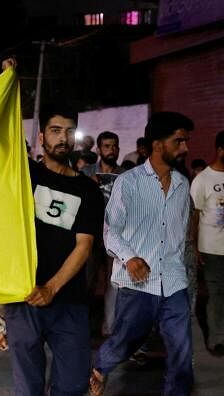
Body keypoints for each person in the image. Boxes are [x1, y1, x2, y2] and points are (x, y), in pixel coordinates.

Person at [90, 111, 194, 396]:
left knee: (182, 349)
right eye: (179, 141)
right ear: (158, 144)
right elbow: (110, 230)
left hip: (173, 281)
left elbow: (181, 233)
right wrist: (131, 258)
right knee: (126, 341)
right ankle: (100, 366)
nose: (185, 148)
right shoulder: (129, 183)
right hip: (138, 284)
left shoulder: (183, 186)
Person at [5, 104, 104, 395]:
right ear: (41, 138)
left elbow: (84, 246)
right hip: (23, 298)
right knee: (28, 387)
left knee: (73, 384)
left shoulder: (88, 190)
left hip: (68, 300)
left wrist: (51, 288)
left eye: (69, 131)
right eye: (55, 130)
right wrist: (7, 84)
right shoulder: (23, 176)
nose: (63, 138)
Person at [81, 131, 125, 336]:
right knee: (86, 282)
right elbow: (75, 198)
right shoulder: (87, 172)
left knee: (113, 284)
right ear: (98, 149)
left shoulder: (126, 174)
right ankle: (80, 326)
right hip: (90, 235)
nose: (112, 150)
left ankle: (109, 328)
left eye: (114, 146)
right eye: (107, 146)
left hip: (116, 236)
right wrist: (88, 185)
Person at [190, 130, 224, 355]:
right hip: (212, 248)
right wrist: (195, 247)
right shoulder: (203, 179)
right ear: (220, 150)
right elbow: (194, 216)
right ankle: (217, 339)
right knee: (216, 293)